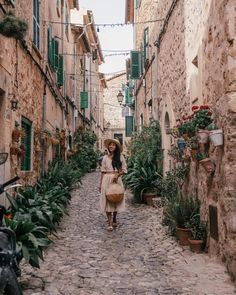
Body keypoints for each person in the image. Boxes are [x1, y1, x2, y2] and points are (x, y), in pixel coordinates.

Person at [99, 139, 127, 231]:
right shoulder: (105, 158)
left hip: (116, 179)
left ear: (116, 147)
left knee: (115, 199)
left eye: (113, 145)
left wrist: (118, 175)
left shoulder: (120, 157)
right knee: (107, 200)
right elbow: (102, 172)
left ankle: (114, 217)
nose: (111, 146)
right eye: (110, 145)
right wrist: (100, 184)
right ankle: (110, 223)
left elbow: (124, 170)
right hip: (106, 180)